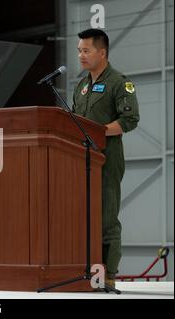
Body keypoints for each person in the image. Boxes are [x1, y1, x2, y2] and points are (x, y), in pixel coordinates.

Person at [72, 28, 140, 288]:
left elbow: (129, 120)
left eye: (86, 50)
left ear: (102, 52)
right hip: (80, 158)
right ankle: (85, 271)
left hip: (107, 158)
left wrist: (98, 132)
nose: (81, 55)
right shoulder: (81, 86)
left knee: (106, 217)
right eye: (79, 50)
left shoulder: (119, 82)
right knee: (82, 216)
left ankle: (108, 275)